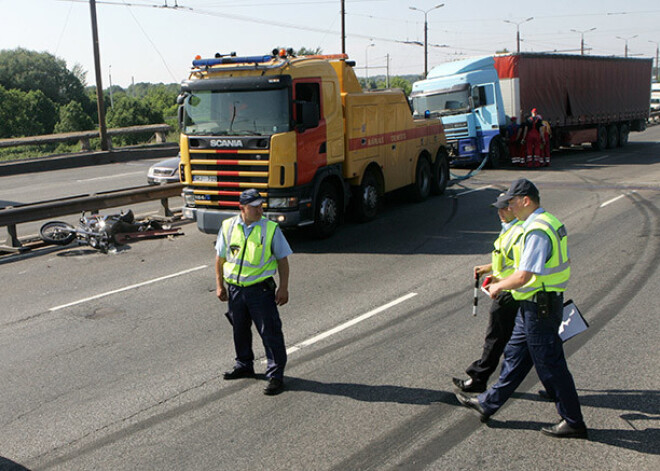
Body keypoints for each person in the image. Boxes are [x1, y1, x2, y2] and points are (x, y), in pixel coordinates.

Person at [455, 178, 588, 439]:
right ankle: (488, 403)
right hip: (533, 305)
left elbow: (524, 275)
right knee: (515, 356)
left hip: (540, 306)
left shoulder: (536, 230)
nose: (510, 208)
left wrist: (498, 286)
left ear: (526, 201)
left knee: (551, 364)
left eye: (513, 203)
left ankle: (573, 420)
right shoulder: (548, 221)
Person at [215, 188, 292, 396]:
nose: (259, 210)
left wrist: (283, 287)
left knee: (270, 332)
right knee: (239, 329)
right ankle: (244, 364)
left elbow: (282, 261)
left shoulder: (270, 229)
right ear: (242, 208)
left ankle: (275, 375)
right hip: (236, 290)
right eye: (254, 207)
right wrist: (220, 285)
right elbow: (220, 258)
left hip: (260, 291)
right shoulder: (228, 226)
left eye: (261, 206)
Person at [453, 194, 523, 393]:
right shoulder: (510, 229)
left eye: (504, 208)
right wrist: (490, 269)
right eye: (498, 209)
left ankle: (479, 379)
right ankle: (553, 384)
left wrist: (500, 283)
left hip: (510, 291)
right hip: (511, 288)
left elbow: (522, 267)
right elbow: (508, 261)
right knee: (528, 343)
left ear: (513, 207)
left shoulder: (519, 231)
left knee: (497, 337)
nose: (500, 213)